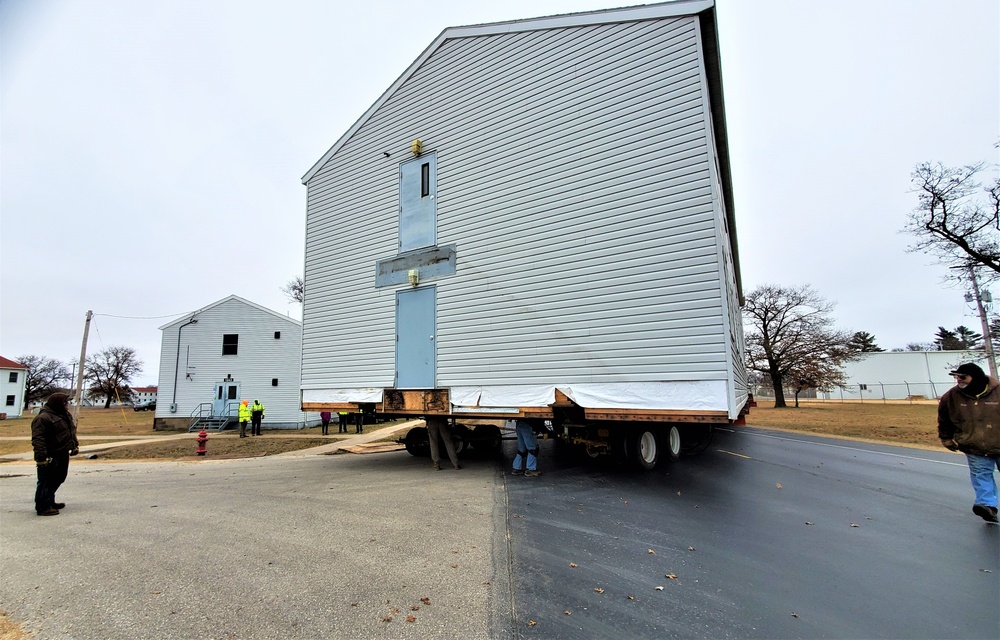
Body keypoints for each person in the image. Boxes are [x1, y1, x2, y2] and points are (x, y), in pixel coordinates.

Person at [938, 362, 1000, 523]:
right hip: (974, 446)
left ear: (976, 377)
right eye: (957, 377)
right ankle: (987, 506)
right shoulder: (951, 397)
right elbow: (944, 419)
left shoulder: (998, 392)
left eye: (963, 377)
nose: (959, 380)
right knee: (981, 476)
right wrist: (946, 438)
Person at [30, 392, 79, 516]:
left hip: (62, 452)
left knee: (59, 477)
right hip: (50, 454)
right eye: (65, 402)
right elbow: (38, 439)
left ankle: (50, 501)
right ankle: (42, 507)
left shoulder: (64, 415)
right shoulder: (43, 418)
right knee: (46, 481)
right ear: (58, 404)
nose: (67, 404)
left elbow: (71, 431)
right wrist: (41, 458)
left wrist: (74, 445)